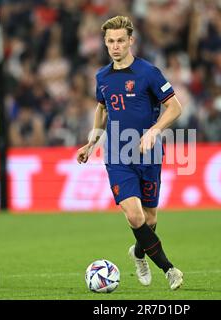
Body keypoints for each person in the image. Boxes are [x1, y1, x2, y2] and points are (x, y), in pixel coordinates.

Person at [76, 16, 184, 290]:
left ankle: (138, 253)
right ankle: (169, 269)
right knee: (135, 217)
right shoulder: (102, 76)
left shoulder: (148, 72)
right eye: (110, 41)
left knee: (150, 220)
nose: (115, 46)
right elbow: (102, 109)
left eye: (120, 40)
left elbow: (175, 108)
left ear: (131, 41)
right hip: (117, 153)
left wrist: (153, 131)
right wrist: (91, 143)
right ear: (104, 42)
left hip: (148, 153)